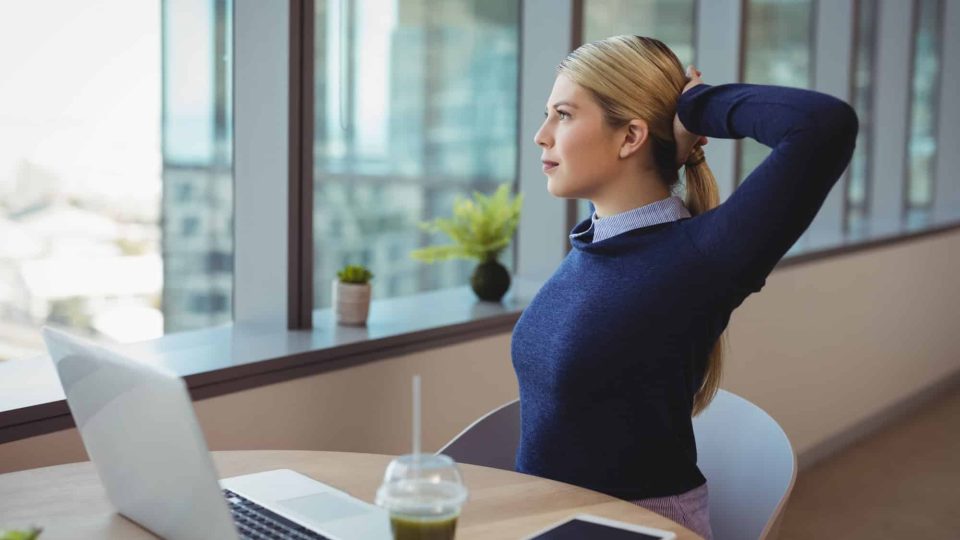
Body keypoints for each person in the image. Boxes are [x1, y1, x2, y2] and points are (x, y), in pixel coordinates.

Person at [511, 35, 858, 539]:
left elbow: (822, 126)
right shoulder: (596, 246)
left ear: (630, 137)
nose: (542, 135)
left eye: (563, 114)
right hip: (555, 523)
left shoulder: (701, 257)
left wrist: (697, 106)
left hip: (636, 530)